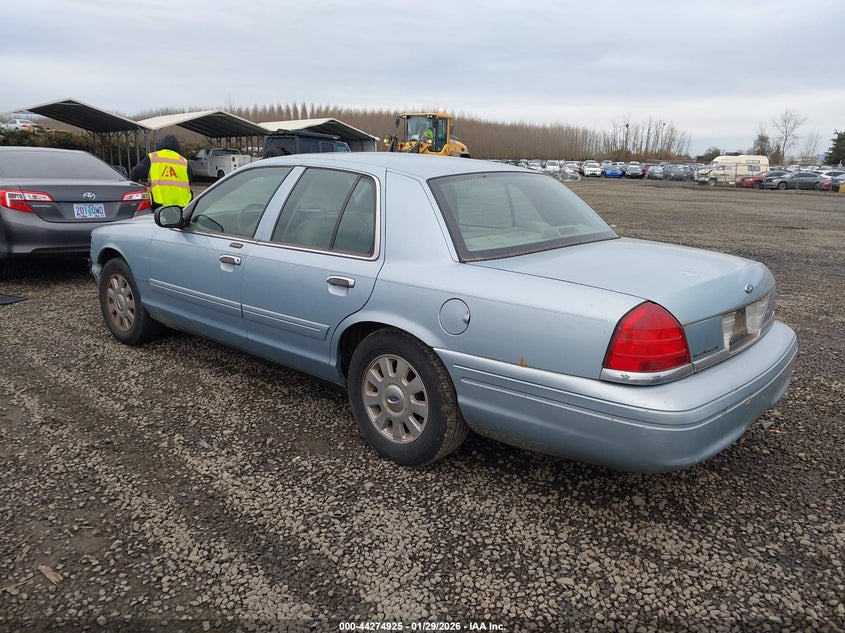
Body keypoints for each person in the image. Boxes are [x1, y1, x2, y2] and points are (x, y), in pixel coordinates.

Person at [130, 134, 192, 208]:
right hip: (183, 205)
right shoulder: (184, 161)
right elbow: (189, 182)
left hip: (160, 204)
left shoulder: (153, 157)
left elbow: (135, 174)